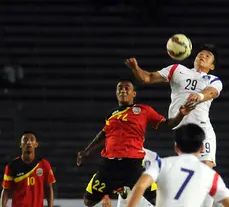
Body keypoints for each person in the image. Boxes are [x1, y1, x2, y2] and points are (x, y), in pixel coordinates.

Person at [125, 44, 222, 207]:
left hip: (202, 129)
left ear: (212, 66)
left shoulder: (213, 80)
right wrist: (135, 68)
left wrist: (199, 95)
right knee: (188, 173)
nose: (202, 56)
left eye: (208, 56)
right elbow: (147, 78)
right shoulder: (177, 69)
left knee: (205, 170)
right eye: (201, 53)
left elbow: (211, 92)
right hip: (180, 130)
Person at [77, 79, 194, 207]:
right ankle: (121, 188)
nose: (123, 90)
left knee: (158, 200)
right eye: (120, 88)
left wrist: (180, 115)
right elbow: (104, 134)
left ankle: (124, 187)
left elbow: (166, 124)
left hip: (133, 165)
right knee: (88, 202)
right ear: (116, 93)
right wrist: (87, 150)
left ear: (134, 93)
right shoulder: (111, 114)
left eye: (127, 88)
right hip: (109, 165)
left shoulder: (144, 110)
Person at [127, 123, 229, 207]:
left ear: (176, 147)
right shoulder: (210, 175)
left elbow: (140, 186)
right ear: (202, 148)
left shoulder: (161, 164)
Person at [1, 131, 56, 207]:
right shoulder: (12, 166)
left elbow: (49, 188)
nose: (29, 142)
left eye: (32, 139)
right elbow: (6, 190)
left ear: (36, 144)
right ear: (20, 145)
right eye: (25, 139)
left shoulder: (44, 164)